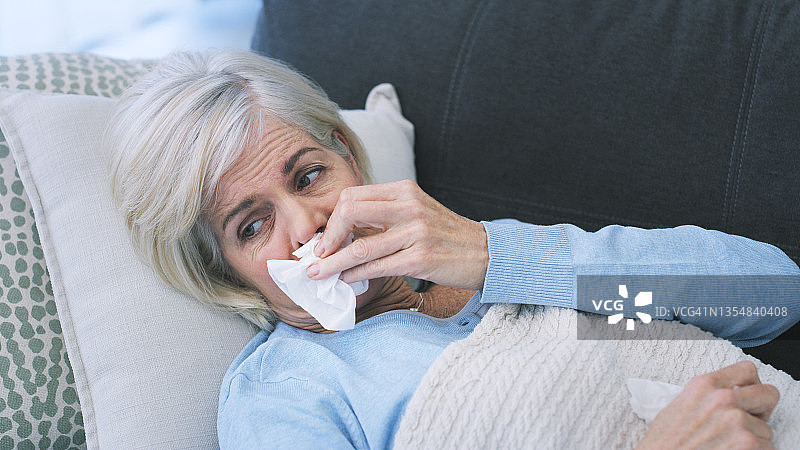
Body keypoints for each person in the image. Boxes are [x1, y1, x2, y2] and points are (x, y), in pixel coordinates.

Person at [105, 50, 799, 449]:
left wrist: (491, 255)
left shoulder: (496, 255)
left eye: (309, 175)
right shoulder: (287, 394)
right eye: (251, 226)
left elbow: (769, 294)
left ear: (349, 156)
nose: (307, 224)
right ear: (226, 271)